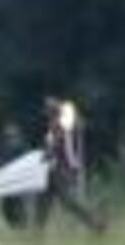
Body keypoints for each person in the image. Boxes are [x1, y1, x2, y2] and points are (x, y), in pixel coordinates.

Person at [35, 97, 108, 234]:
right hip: (56, 169)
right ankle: (37, 232)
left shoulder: (57, 126)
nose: (44, 113)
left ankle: (96, 223)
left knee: (66, 202)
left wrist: (44, 156)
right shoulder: (62, 125)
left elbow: (53, 148)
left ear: (51, 112)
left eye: (46, 111)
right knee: (44, 201)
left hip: (59, 169)